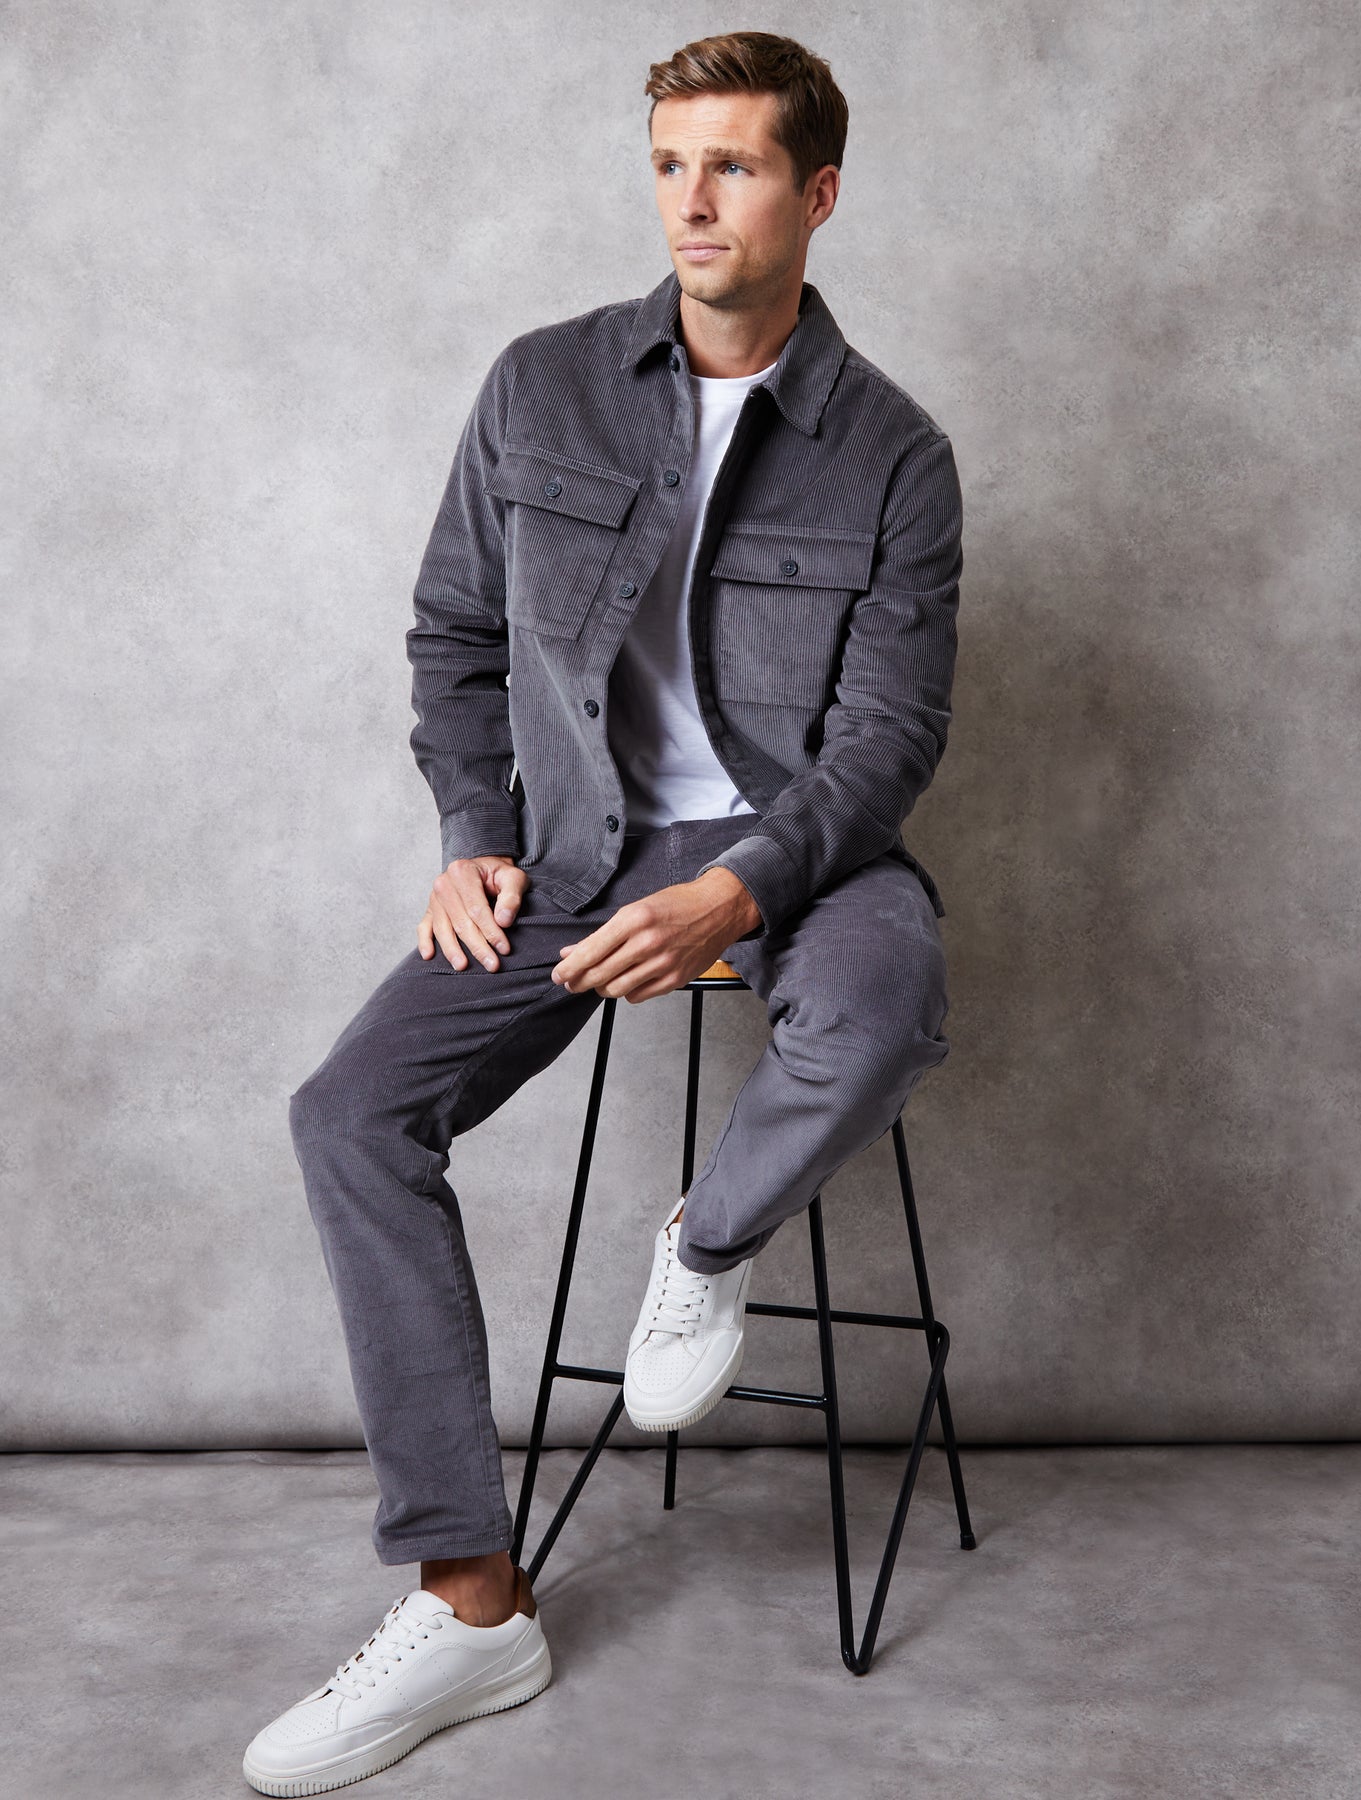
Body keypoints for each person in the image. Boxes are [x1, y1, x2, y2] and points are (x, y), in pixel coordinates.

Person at [243, 27, 963, 1796]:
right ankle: (471, 1604)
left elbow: (884, 743)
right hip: (571, 848)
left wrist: (735, 887)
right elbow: (455, 637)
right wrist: (471, 834)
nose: (691, 200)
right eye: (667, 165)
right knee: (349, 1114)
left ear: (817, 193)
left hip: (796, 848)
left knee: (885, 1004)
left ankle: (701, 1247)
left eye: (733, 165)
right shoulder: (540, 385)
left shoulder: (893, 453)